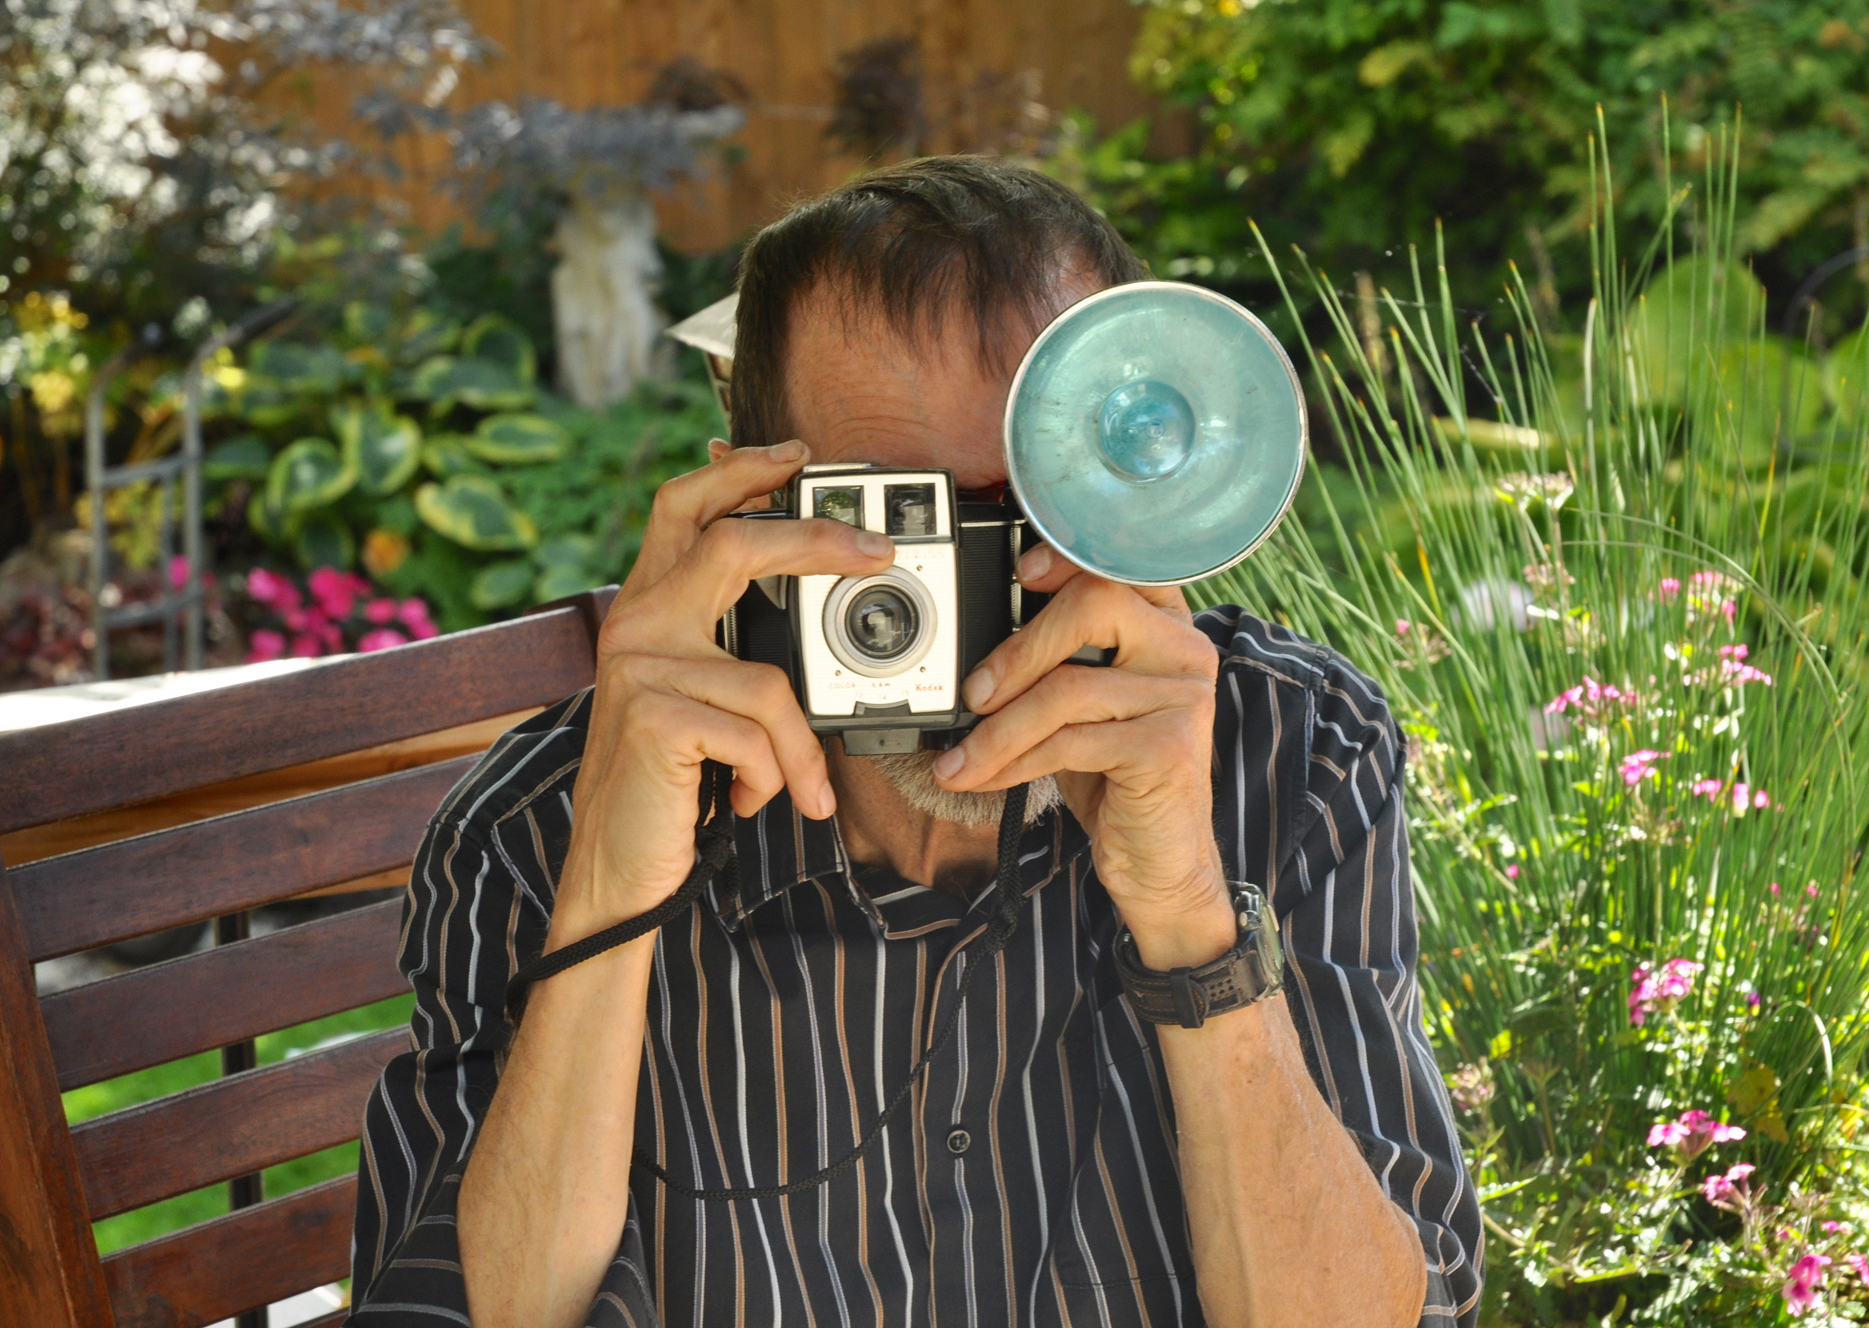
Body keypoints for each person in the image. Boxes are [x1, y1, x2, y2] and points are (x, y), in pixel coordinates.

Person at [347, 157, 1482, 1328]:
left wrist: (1189, 913)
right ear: (753, 515)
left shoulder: (1286, 751)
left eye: (1035, 512)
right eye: (899, 522)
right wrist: (610, 890)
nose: (978, 600)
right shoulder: (540, 828)